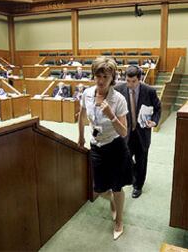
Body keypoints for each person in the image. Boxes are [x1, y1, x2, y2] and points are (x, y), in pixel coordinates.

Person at [78, 56, 132, 240]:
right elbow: (82, 115)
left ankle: (119, 221)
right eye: (98, 76)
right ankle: (112, 200)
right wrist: (80, 136)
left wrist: (111, 115)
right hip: (97, 146)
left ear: (112, 79)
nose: (100, 81)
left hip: (116, 146)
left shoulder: (119, 100)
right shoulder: (87, 93)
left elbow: (124, 132)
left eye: (105, 77)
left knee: (117, 187)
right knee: (100, 189)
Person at [115, 65, 161, 198]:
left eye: (133, 81)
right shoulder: (119, 89)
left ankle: (138, 186)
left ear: (139, 79)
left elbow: (158, 108)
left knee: (141, 160)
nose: (130, 85)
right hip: (126, 132)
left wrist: (154, 121)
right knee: (126, 158)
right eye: (128, 81)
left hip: (142, 133)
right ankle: (134, 174)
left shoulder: (149, 91)